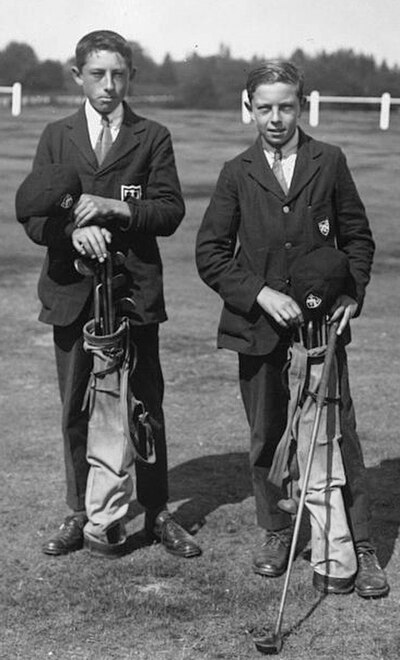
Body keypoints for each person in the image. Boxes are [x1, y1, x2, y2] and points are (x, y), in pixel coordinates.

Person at [195, 60, 388, 597]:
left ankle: (361, 543)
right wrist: (259, 293)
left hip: (321, 331)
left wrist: (352, 292)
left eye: (286, 106)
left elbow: (357, 239)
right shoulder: (237, 171)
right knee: (267, 436)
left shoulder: (330, 161)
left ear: (301, 105)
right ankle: (277, 531)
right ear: (248, 108)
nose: (275, 118)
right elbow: (210, 253)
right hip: (256, 330)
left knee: (337, 436)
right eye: (265, 107)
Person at [16, 30, 201, 560]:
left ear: (131, 77)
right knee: (76, 406)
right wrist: (71, 232)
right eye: (97, 74)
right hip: (71, 293)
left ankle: (158, 509)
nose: (109, 84)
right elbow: (34, 215)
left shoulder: (151, 135)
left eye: (119, 74)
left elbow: (169, 211)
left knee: (146, 403)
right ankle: (82, 511)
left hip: (134, 292)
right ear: (78, 76)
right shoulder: (56, 134)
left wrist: (114, 209)